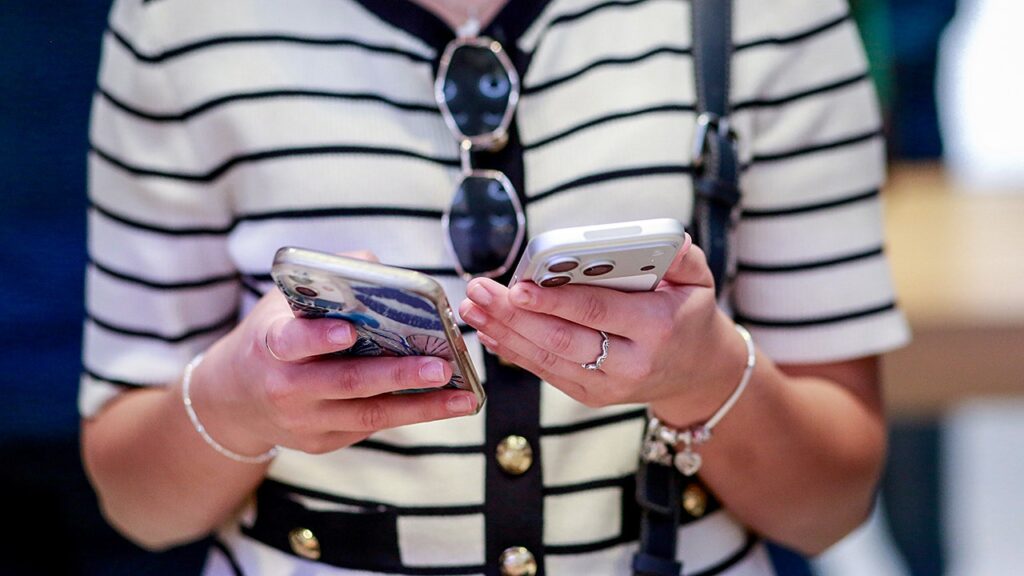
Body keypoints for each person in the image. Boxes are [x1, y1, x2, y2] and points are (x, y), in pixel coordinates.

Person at [80, 0, 910, 574]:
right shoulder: (177, 24)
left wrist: (708, 378)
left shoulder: (774, 17)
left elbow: (831, 504)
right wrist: (235, 401)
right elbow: (136, 502)